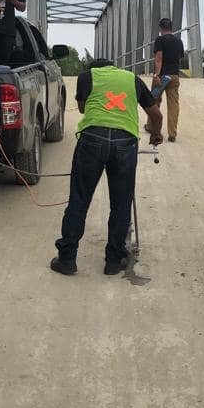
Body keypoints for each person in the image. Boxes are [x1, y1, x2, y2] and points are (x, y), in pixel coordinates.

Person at [51, 59, 164, 276]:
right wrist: (156, 135)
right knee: (121, 204)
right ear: (114, 67)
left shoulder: (87, 76)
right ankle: (114, 260)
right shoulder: (132, 79)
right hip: (125, 143)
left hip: (92, 139)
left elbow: (83, 108)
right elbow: (156, 115)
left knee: (79, 200)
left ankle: (67, 259)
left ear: (95, 68)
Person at [152, 18, 184, 142]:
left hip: (162, 76)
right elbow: (179, 57)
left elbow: (159, 57)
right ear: (171, 28)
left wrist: (156, 76)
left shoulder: (160, 40)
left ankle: (152, 127)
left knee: (154, 101)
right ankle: (172, 133)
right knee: (173, 105)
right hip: (174, 76)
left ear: (161, 28)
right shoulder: (179, 41)